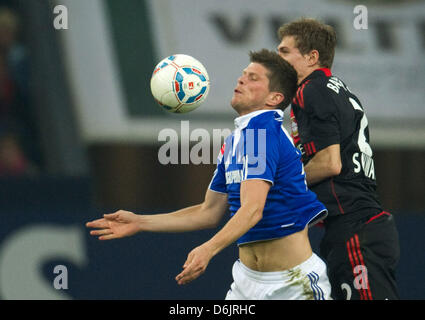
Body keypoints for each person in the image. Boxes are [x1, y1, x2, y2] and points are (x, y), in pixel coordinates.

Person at [86, 49, 331, 300]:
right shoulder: (237, 140)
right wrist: (141, 222)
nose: (241, 80)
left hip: (293, 286)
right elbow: (208, 212)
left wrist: (208, 249)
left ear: (274, 97)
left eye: (254, 78)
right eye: (243, 74)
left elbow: (252, 210)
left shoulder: (262, 133)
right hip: (247, 283)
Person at [276, 18, 400, 300]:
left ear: (312, 57)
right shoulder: (337, 89)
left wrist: (278, 184)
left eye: (284, 51)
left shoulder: (311, 90)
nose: (277, 58)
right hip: (358, 227)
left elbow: (330, 163)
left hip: (356, 229)